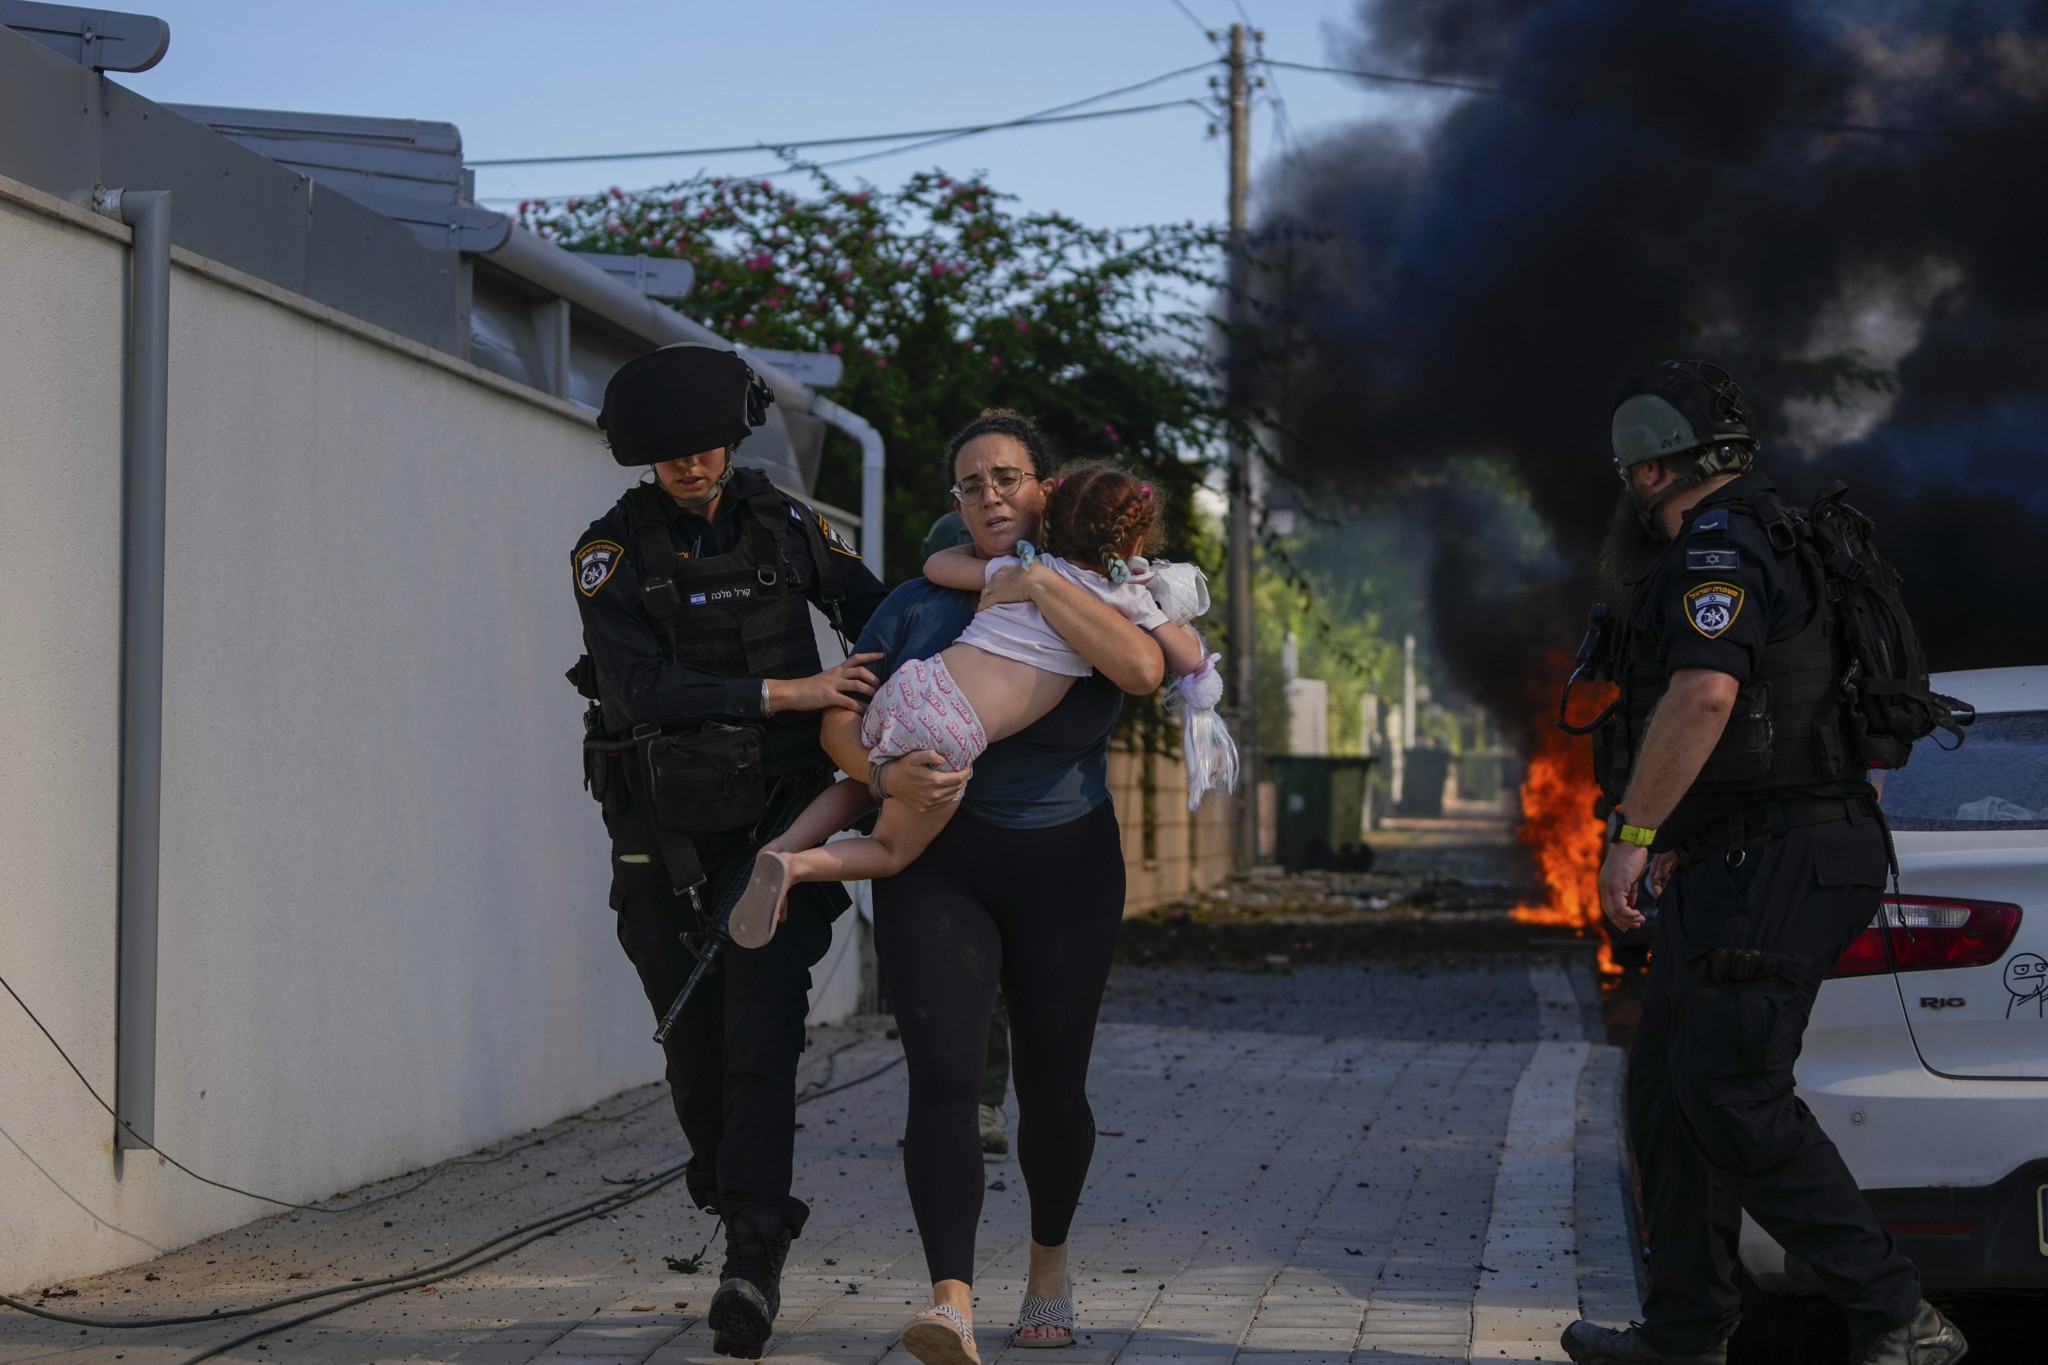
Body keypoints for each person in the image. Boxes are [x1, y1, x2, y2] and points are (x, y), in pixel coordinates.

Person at [1559, 362, 1967, 1365]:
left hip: (1774, 856)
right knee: (1666, 1091)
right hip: (1739, 855)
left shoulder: (1716, 544)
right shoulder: (1772, 532)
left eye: (1629, 471)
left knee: (1733, 1094)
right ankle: (1683, 1333)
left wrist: (1631, 835)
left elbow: (1701, 696)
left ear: (1647, 473)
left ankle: (1895, 1316)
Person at [822, 410, 1170, 1365]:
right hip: (940, 863)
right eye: (972, 484)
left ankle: (1048, 1271)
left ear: (1044, 489)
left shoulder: (1098, 592)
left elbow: (1152, 665)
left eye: (1007, 478)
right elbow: (839, 725)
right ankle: (952, 1303)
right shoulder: (915, 603)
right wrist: (884, 776)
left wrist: (1040, 585)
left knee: (1054, 1089)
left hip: (1068, 867)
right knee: (941, 1080)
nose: (989, 497)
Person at [568, 343, 889, 1360]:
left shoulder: (788, 523)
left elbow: (879, 614)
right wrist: (793, 693)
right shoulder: (607, 556)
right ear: (642, 459)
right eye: (669, 455)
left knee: (760, 1035)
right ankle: (732, 1190)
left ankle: (751, 1257)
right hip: (658, 833)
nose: (691, 466)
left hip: (778, 826)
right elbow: (642, 694)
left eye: (704, 447)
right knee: (692, 1041)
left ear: (730, 438)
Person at [721, 463, 1210, 943]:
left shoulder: (1024, 569)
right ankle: (795, 867)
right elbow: (1185, 658)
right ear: (1134, 543)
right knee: (891, 849)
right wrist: (1159, 599)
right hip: (952, 727)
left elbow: (936, 565)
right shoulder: (1121, 597)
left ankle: (781, 844)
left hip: (916, 685)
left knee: (867, 784)